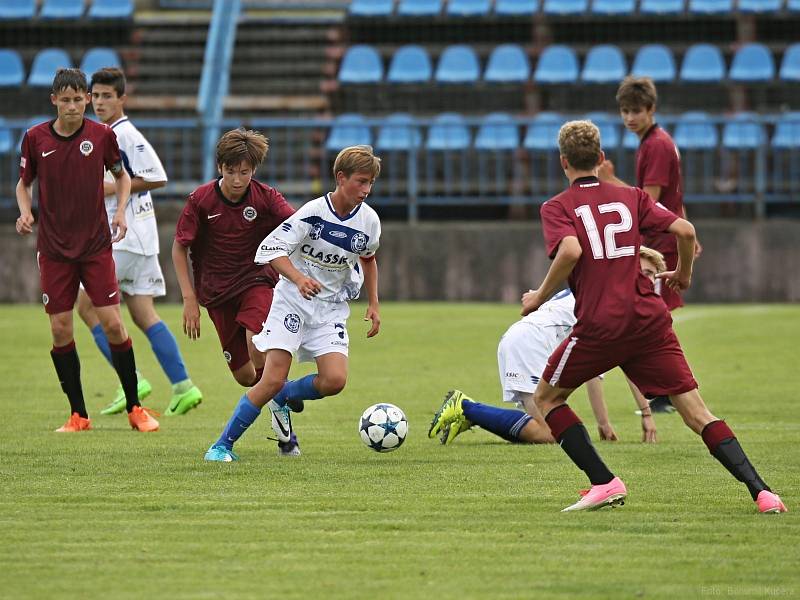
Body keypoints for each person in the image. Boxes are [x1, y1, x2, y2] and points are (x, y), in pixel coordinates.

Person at [522, 119, 786, 513]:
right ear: (601, 158)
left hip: (601, 324)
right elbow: (685, 229)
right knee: (697, 413)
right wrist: (683, 274)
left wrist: (539, 296)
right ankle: (763, 493)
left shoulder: (557, 207)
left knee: (546, 398)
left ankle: (604, 482)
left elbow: (572, 251)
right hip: (648, 320)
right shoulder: (631, 196)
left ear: (563, 162)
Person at [203, 145, 382, 463]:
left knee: (334, 381)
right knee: (270, 378)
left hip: (329, 309)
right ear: (341, 178)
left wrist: (374, 303)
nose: (367, 190)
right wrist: (299, 279)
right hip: (292, 303)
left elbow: (368, 259)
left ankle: (283, 396)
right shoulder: (313, 213)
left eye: (370, 183)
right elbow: (270, 249)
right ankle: (221, 446)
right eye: (361, 182)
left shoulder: (369, 221)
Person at [15, 68, 159, 433]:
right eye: (66, 100)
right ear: (54, 101)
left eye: (80, 100)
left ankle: (135, 408)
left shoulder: (102, 136)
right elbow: (23, 183)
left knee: (112, 323)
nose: (74, 107)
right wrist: (25, 211)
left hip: (95, 247)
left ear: (87, 101)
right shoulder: (35, 138)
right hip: (53, 250)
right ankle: (79, 415)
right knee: (61, 330)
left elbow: (123, 176)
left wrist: (122, 212)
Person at [427, 248, 667, 447]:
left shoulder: (600, 290)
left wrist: (645, 413)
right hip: (530, 345)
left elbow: (628, 363)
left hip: (531, 344)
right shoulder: (608, 301)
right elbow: (596, 375)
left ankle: (472, 414)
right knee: (550, 433)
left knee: (559, 426)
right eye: (642, 272)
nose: (647, 279)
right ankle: (466, 408)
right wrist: (605, 424)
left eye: (652, 276)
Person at [72, 67, 202, 417]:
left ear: (121, 99)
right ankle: (183, 386)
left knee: (86, 308)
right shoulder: (105, 133)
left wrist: (112, 188)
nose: (98, 102)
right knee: (143, 314)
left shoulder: (124, 134)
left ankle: (132, 379)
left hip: (122, 238)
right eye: (94, 96)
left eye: (106, 96)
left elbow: (157, 177)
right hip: (138, 238)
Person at [172, 128, 298, 452]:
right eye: (231, 171)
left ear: (253, 170)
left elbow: (298, 226)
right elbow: (178, 247)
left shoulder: (266, 197)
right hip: (215, 294)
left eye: (244, 172)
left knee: (257, 343)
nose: (238, 179)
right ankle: (277, 396)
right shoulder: (200, 201)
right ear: (219, 168)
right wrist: (189, 299)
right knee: (245, 376)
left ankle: (278, 414)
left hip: (257, 280)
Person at [600, 76, 703, 414]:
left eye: (636, 111)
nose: (629, 118)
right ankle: (664, 391)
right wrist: (689, 228)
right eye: (624, 111)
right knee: (654, 316)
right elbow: (672, 198)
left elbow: (650, 202)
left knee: (651, 316)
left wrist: (610, 181)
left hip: (658, 245)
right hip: (663, 239)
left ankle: (669, 390)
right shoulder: (654, 142)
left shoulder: (656, 146)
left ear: (651, 109)